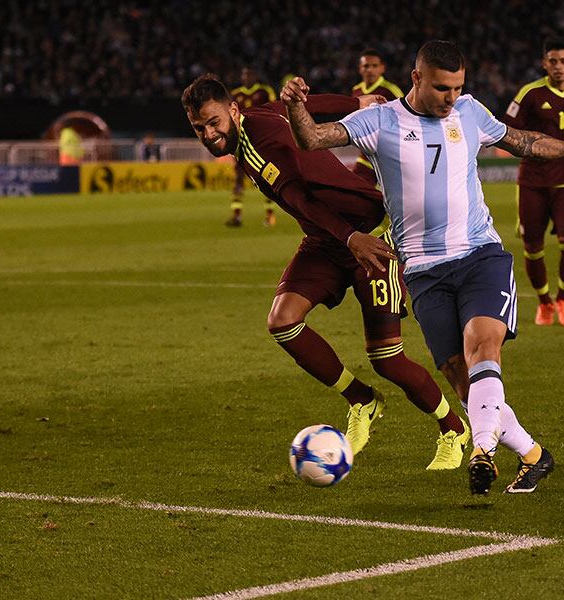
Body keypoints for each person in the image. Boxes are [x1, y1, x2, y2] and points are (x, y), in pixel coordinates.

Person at [282, 40, 564, 494]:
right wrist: (296, 108)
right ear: (417, 78)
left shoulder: (468, 111)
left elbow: (524, 141)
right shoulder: (380, 121)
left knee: (483, 348)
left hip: (479, 254)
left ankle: (480, 451)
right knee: (459, 375)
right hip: (423, 272)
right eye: (443, 88)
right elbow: (312, 139)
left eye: (459, 87)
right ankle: (535, 456)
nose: (451, 97)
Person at [181, 74, 470, 470]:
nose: (209, 134)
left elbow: (302, 199)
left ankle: (453, 429)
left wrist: (353, 239)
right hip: (327, 240)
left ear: (232, 110)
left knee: (386, 357)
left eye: (213, 122)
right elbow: (301, 107)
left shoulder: (261, 145)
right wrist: (356, 100)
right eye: (199, 127)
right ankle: (361, 399)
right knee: (283, 321)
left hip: (367, 237)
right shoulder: (256, 117)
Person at [502, 39, 564, 329]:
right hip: (532, 180)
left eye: (563, 61)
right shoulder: (530, 93)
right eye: (552, 61)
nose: (558, 66)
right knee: (533, 247)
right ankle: (544, 302)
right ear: (545, 64)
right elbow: (506, 129)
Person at [227, 67, 278, 227]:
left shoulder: (264, 92)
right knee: (238, 180)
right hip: (241, 143)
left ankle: (270, 216)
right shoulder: (235, 94)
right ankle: (237, 216)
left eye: (249, 74)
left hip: (261, 142)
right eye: (243, 75)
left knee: (267, 178)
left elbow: (274, 112)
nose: (246, 77)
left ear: (255, 76)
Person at [350, 49, 404, 185]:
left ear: (382, 68)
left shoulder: (391, 91)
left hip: (388, 153)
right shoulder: (356, 90)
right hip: (366, 152)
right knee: (355, 187)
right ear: (360, 69)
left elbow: (405, 118)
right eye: (366, 66)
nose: (370, 70)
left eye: (374, 66)